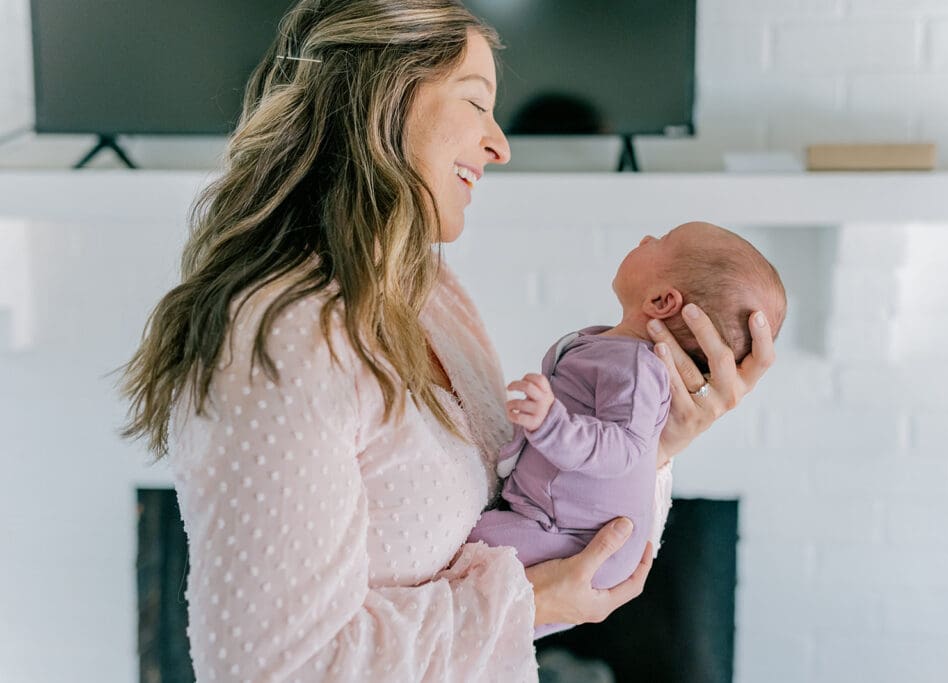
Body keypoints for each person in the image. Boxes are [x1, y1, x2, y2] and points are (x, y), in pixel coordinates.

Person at [118, 2, 777, 681]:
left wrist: (654, 446)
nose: (500, 144)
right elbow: (274, 668)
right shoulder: (281, 336)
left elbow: (518, 520)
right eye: (476, 102)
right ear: (387, 100)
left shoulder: (428, 292)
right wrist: (531, 601)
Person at [468, 221, 787, 638]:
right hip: (566, 528)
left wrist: (550, 423)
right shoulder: (615, 350)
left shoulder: (636, 366)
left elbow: (623, 449)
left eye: (661, 241)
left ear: (661, 300)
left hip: (572, 539)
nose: (646, 239)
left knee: (465, 548)